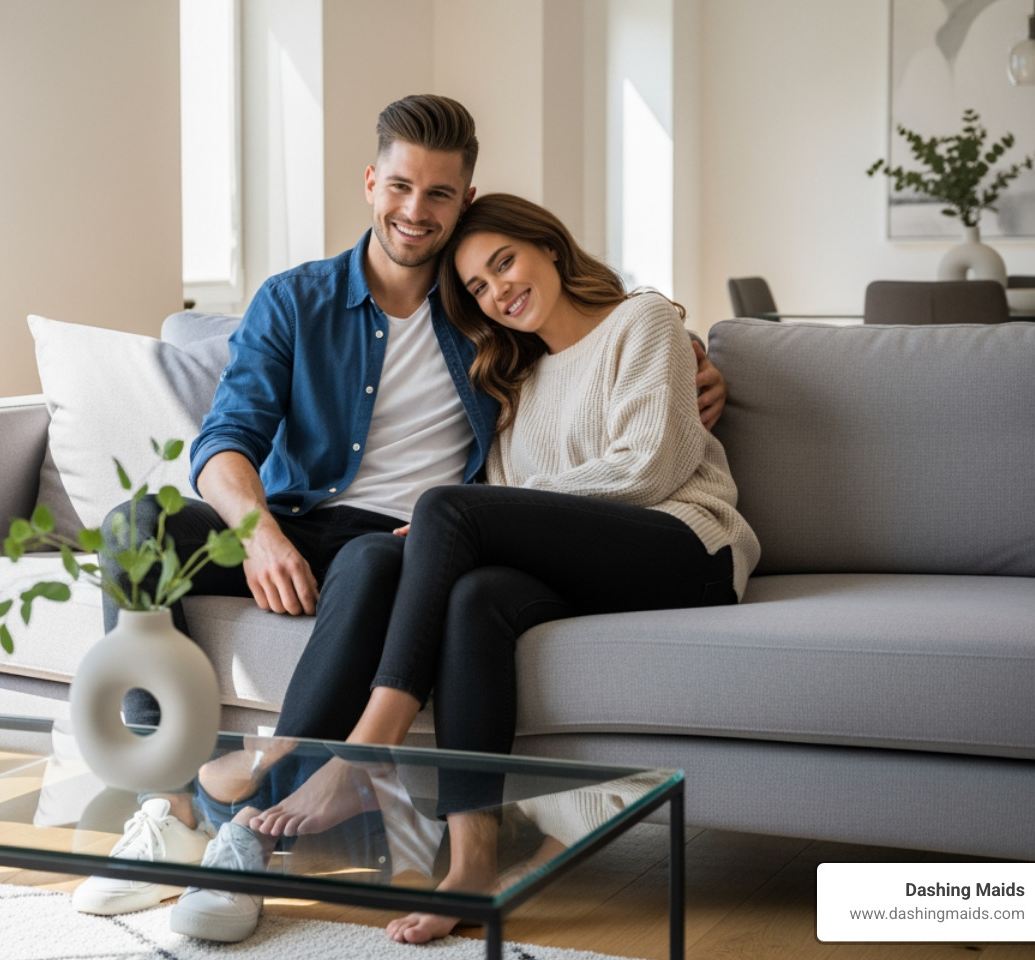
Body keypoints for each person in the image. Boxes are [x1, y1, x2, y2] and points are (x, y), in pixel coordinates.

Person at [74, 96, 730, 929]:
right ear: (371, 182)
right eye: (400, 186)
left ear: (464, 199)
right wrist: (257, 533)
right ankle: (163, 806)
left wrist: (696, 355)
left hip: (404, 538)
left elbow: (599, 337)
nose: (415, 211)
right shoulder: (296, 300)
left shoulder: (481, 316)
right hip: (295, 515)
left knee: (377, 556)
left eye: (440, 195)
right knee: (138, 527)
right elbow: (225, 439)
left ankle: (244, 836)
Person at [243, 193, 761, 945]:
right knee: (476, 596)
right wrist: (459, 524)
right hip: (598, 565)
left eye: (504, 263)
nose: (499, 291)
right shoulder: (513, 383)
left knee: (445, 510)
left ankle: (365, 752)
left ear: (549, 246)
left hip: (687, 546)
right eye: (479, 289)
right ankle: (472, 859)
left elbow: (650, 468)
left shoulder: (643, 321)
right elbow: (516, 518)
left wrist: (478, 513)